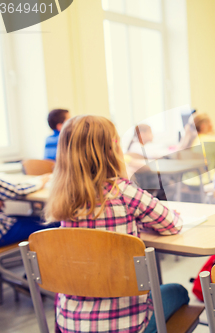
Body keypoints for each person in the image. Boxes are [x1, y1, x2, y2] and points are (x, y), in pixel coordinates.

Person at [45, 115, 189, 333]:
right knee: (177, 291)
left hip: (69, 323)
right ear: (111, 150)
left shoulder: (62, 200)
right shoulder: (123, 192)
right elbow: (172, 224)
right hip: (127, 325)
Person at [0, 175, 56, 248]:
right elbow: (18, 190)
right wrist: (40, 182)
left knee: (41, 218)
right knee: (54, 223)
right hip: (0, 232)